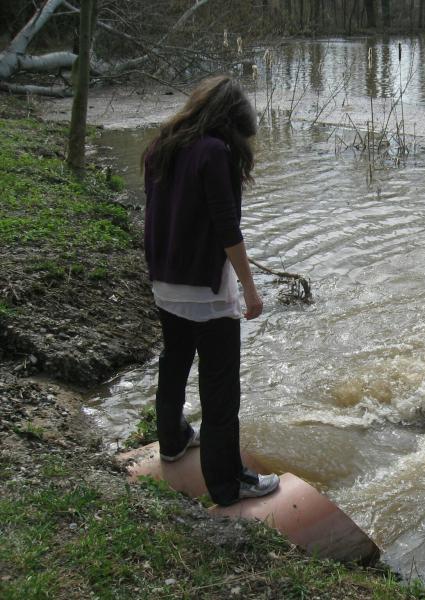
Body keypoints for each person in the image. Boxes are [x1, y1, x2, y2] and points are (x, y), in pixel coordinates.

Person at [142, 75, 279, 506]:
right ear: (232, 122)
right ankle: (228, 484)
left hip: (165, 281)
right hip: (205, 290)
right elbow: (227, 228)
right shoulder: (215, 151)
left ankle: (172, 441)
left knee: (175, 361)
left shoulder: (163, 143)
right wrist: (251, 290)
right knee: (220, 390)